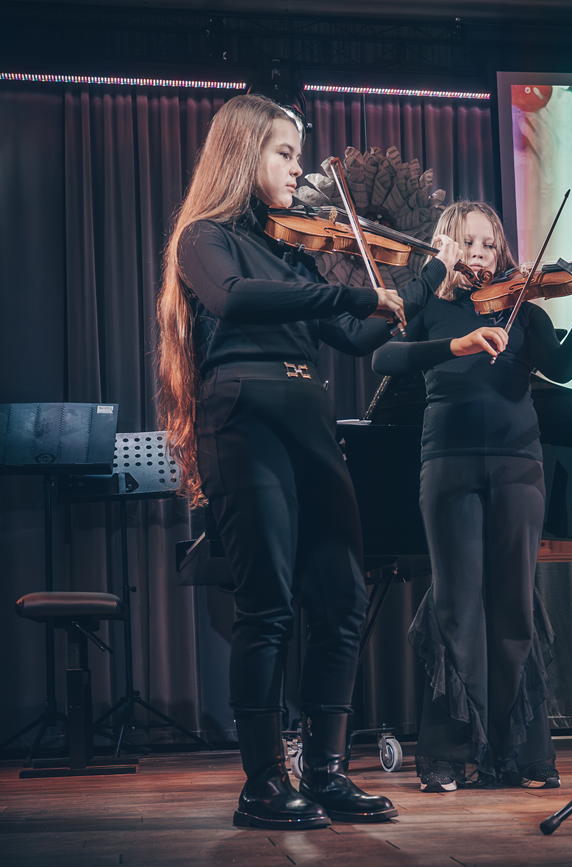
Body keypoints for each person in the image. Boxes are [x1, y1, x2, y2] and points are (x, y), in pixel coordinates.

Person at [156, 94, 461, 829]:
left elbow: (354, 339)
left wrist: (422, 285)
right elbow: (234, 300)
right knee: (266, 604)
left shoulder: (292, 252)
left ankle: (325, 772)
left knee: (342, 599)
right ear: (243, 154)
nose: (298, 169)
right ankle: (263, 781)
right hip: (244, 418)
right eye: (285, 153)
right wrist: (350, 292)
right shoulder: (205, 239)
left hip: (311, 422)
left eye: (298, 154)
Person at [372, 201, 572, 793]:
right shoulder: (429, 305)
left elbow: (566, 366)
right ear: (447, 246)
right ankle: (448, 754)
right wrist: (455, 342)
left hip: (519, 465)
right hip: (446, 464)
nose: (480, 255)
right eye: (468, 243)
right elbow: (383, 357)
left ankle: (522, 754)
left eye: (489, 244)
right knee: (457, 607)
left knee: (514, 607)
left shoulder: (524, 309)